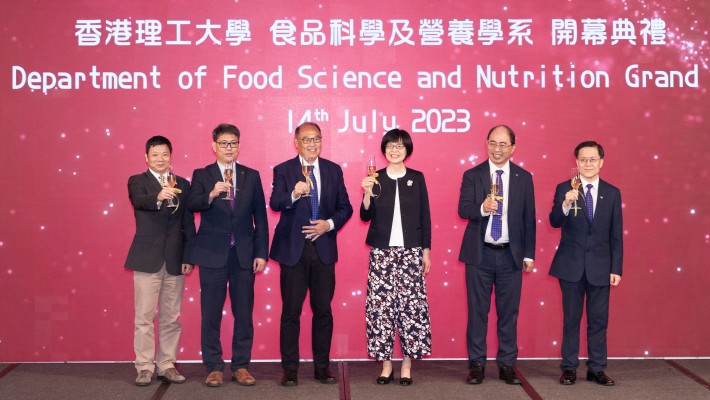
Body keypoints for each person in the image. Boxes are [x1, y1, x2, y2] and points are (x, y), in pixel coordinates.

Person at [269, 122, 353, 386]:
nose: (312, 144)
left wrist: (327, 224)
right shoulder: (284, 170)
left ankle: (322, 368)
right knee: (291, 312)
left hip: (323, 250)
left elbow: (346, 207)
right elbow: (274, 203)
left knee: (323, 312)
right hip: (294, 252)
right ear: (296, 142)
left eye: (316, 139)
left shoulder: (333, 170)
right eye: (306, 140)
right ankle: (290, 370)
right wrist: (293, 194)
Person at [188, 123, 269, 387]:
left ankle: (241, 366)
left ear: (239, 145)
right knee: (210, 313)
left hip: (244, 255)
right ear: (214, 146)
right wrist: (211, 193)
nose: (228, 148)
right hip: (212, 254)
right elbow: (193, 204)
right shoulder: (202, 174)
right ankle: (213, 367)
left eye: (233, 143)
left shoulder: (251, 175)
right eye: (223, 143)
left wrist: (261, 252)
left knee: (243, 313)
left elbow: (261, 218)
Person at [458, 125, 536, 385]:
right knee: (477, 312)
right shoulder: (473, 174)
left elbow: (528, 219)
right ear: (486, 144)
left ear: (513, 147)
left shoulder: (524, 178)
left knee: (508, 313)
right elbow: (463, 209)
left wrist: (529, 254)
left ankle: (507, 365)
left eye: (503, 144)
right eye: (493, 143)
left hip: (510, 256)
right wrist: (481, 207)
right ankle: (477, 365)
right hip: (480, 255)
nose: (497, 149)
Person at [360, 129, 432, 386]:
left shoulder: (417, 177)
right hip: (382, 252)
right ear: (384, 149)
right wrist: (367, 192)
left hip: (411, 252)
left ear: (407, 150)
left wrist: (426, 251)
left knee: (411, 309)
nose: (394, 150)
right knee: (381, 309)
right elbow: (365, 216)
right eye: (390, 145)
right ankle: (386, 364)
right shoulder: (375, 177)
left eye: (400, 146)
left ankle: (407, 364)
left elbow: (425, 216)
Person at [549, 141, 623, 386]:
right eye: (583, 159)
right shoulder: (564, 188)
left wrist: (616, 268)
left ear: (601, 162)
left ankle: (596, 368)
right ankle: (569, 368)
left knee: (599, 320)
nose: (588, 164)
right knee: (571, 319)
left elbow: (616, 234)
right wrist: (566, 204)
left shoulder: (612, 193)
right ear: (576, 162)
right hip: (570, 266)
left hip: (601, 267)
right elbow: (554, 221)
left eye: (593, 159)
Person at [124, 135, 196, 386]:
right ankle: (144, 366)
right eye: (155, 154)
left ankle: (166, 364)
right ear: (147, 157)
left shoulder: (183, 185)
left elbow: (188, 223)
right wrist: (159, 195)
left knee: (171, 317)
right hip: (147, 259)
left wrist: (189, 256)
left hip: (175, 259)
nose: (160, 159)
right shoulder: (137, 181)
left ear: (171, 157)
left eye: (165, 154)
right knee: (143, 317)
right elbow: (139, 201)